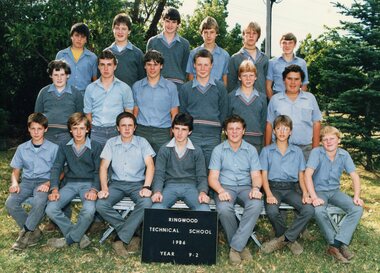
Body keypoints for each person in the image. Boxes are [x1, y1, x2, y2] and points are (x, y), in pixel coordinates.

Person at [96, 112, 155, 258]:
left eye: (130, 126)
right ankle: (131, 233)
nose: (127, 129)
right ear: (118, 128)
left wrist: (146, 187)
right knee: (100, 204)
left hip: (137, 184)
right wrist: (104, 188)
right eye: (123, 126)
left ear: (135, 127)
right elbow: (103, 167)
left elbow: (150, 165)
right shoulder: (111, 143)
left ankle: (119, 238)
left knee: (147, 202)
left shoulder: (142, 142)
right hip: (116, 184)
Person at [208, 115, 263, 265]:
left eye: (238, 128)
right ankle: (240, 246)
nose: (234, 132)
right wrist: (220, 190)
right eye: (231, 129)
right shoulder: (218, 150)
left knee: (257, 203)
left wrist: (256, 188)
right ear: (225, 131)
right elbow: (212, 178)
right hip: (225, 187)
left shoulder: (251, 150)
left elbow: (256, 175)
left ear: (244, 131)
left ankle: (235, 247)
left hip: (246, 187)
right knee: (224, 209)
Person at [305, 126, 364, 263]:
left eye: (332, 138)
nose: (328, 142)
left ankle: (337, 243)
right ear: (321, 142)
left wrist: (356, 196)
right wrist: (313, 197)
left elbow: (355, 176)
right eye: (325, 139)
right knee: (319, 211)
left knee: (357, 208)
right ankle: (336, 245)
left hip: (335, 191)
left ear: (338, 140)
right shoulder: (316, 152)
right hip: (319, 191)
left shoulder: (344, 155)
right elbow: (308, 175)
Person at [45, 113, 102, 249]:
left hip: (89, 185)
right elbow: (57, 167)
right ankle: (79, 236)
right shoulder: (64, 145)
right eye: (75, 128)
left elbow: (99, 171)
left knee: (89, 211)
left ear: (88, 129)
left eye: (82, 128)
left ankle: (69, 239)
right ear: (70, 129)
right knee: (51, 208)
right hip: (70, 184)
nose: (78, 132)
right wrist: (54, 188)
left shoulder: (95, 146)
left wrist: (94, 189)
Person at [260, 115, 314, 255]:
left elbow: (301, 176)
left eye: (286, 129)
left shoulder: (297, 151)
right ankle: (289, 239)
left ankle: (284, 239)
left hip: (290, 188)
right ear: (274, 131)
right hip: (273, 188)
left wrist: (306, 193)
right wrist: (269, 194)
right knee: (272, 211)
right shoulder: (266, 151)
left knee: (309, 209)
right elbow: (263, 176)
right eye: (278, 128)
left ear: (290, 132)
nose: (282, 132)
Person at [5, 113, 58, 250]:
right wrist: (15, 183)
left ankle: (25, 234)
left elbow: (60, 171)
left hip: (44, 181)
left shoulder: (53, 148)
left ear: (45, 129)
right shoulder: (22, 148)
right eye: (33, 128)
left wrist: (48, 183)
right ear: (28, 129)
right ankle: (34, 230)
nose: (36, 132)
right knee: (10, 203)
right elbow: (15, 171)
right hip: (27, 181)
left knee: (39, 201)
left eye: (39, 129)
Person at [151, 113, 210, 211]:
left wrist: (203, 192)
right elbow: (159, 174)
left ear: (190, 131)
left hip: (191, 186)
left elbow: (201, 176)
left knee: (204, 209)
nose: (179, 133)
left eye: (184, 129)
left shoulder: (196, 150)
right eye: (177, 128)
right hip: (170, 186)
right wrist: (157, 191)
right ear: (172, 129)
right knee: (156, 208)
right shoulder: (165, 149)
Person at [179, 49, 228, 167]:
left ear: (211, 66)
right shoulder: (186, 88)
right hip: (193, 135)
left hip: (213, 136)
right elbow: (183, 113)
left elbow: (224, 112)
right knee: (192, 169)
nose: (202, 68)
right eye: (199, 64)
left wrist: (218, 130)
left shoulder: (220, 87)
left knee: (211, 170)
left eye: (206, 65)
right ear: (194, 65)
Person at [265, 64, 322, 161]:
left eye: (296, 79)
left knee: (305, 176)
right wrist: (267, 149)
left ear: (301, 82)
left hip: (305, 150)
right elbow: (269, 125)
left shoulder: (310, 98)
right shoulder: (275, 100)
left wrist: (315, 150)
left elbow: (317, 123)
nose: (293, 82)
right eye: (289, 78)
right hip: (280, 149)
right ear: (284, 80)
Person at [84, 50, 134, 147]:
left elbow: (129, 113)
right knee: (97, 162)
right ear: (98, 67)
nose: (106, 68)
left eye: (109, 64)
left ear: (115, 66)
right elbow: (88, 114)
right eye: (102, 65)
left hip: (117, 132)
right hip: (96, 132)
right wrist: (93, 128)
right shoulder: (90, 88)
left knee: (117, 162)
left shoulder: (124, 88)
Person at [132, 50, 179, 153]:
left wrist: (173, 131)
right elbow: (135, 111)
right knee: (141, 166)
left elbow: (174, 112)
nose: (152, 68)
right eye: (149, 64)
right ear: (144, 66)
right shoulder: (137, 86)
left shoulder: (171, 87)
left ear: (161, 66)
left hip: (163, 132)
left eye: (156, 64)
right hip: (141, 131)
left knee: (161, 165)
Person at [35, 60, 83, 145]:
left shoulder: (76, 93)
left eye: (62, 75)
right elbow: (37, 116)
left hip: (68, 135)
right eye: (56, 75)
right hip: (47, 135)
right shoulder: (43, 92)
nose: (59, 78)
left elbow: (80, 118)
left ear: (67, 75)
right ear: (51, 76)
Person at [228, 60, 267, 153]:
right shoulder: (231, 97)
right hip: (236, 142)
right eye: (245, 75)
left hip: (256, 142)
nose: (248, 79)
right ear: (239, 77)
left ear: (256, 77)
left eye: (251, 75)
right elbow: (228, 119)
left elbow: (263, 121)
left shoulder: (262, 98)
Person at [146, 7, 190, 90]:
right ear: (162, 21)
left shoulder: (185, 44)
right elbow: (148, 67)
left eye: (173, 22)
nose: (170, 25)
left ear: (178, 24)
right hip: (157, 85)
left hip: (178, 87)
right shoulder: (153, 42)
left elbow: (185, 69)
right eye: (167, 21)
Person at [227, 22, 268, 96]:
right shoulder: (235, 58)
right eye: (248, 33)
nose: (251, 36)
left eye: (254, 33)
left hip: (261, 102)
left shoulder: (264, 58)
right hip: (240, 102)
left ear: (258, 36)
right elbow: (230, 85)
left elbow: (268, 83)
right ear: (243, 35)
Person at [186, 16, 230, 86]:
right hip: (198, 92)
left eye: (212, 32)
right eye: (206, 32)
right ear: (201, 34)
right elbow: (190, 76)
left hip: (217, 93)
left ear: (216, 33)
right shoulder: (193, 53)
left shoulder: (224, 55)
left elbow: (225, 79)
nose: (208, 35)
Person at [104, 13, 145, 87]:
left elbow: (143, 79)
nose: (120, 32)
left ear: (129, 31)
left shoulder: (137, 53)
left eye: (124, 29)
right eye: (117, 28)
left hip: (131, 97)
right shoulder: (105, 53)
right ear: (113, 30)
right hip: (109, 97)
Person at [56, 23, 97, 94]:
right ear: (71, 36)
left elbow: (95, 81)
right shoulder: (61, 55)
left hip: (85, 97)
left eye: (83, 36)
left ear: (86, 40)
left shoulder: (92, 57)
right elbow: (55, 77)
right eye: (77, 35)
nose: (79, 39)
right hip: (65, 96)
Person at [266, 32, 309, 99]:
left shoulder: (302, 63)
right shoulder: (272, 62)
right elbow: (268, 86)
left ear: (295, 45)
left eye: (290, 43)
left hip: (295, 99)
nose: (287, 46)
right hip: (278, 97)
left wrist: (298, 101)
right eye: (284, 43)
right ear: (280, 45)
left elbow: (304, 85)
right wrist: (273, 102)